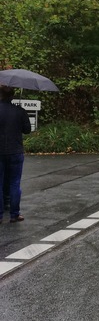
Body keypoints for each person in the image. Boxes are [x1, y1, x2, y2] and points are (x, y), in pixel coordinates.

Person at [0, 85, 31, 223]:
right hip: (15, 151)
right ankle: (14, 214)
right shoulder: (20, 111)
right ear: (12, 96)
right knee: (14, 183)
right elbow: (27, 130)